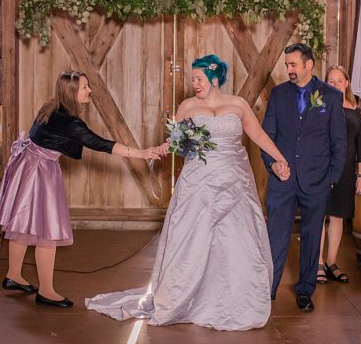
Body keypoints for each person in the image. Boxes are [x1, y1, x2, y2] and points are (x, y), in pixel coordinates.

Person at [86, 55, 289, 330]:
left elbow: (259, 136)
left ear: (214, 77)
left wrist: (280, 159)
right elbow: (175, 141)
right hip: (199, 183)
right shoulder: (188, 106)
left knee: (236, 239)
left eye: (199, 79)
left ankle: (234, 300)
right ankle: (184, 296)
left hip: (234, 183)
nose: (194, 83)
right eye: (192, 79)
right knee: (193, 236)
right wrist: (157, 150)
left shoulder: (239, 105)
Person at [0, 69, 161, 308]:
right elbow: (101, 144)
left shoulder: (50, 108)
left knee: (22, 224)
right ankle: (47, 291)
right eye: (85, 87)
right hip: (39, 171)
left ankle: (14, 275)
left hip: (27, 164)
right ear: (72, 92)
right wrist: (142, 154)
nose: (89, 90)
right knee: (45, 230)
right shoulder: (71, 123)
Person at [262, 43, 346, 312]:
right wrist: (273, 165)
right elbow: (266, 138)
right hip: (282, 181)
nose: (288, 69)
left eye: (293, 65)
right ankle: (268, 290)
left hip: (316, 181)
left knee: (311, 237)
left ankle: (305, 290)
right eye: (287, 65)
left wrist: (330, 178)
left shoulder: (331, 97)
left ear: (309, 65)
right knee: (276, 236)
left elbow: (338, 143)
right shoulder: (278, 95)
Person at [317, 65, 361, 284]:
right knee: (319, 216)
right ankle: (316, 263)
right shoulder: (320, 107)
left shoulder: (356, 111)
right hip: (323, 169)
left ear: (346, 83)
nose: (335, 84)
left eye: (339, 80)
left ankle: (331, 262)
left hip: (346, 171)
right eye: (331, 81)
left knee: (337, 217)